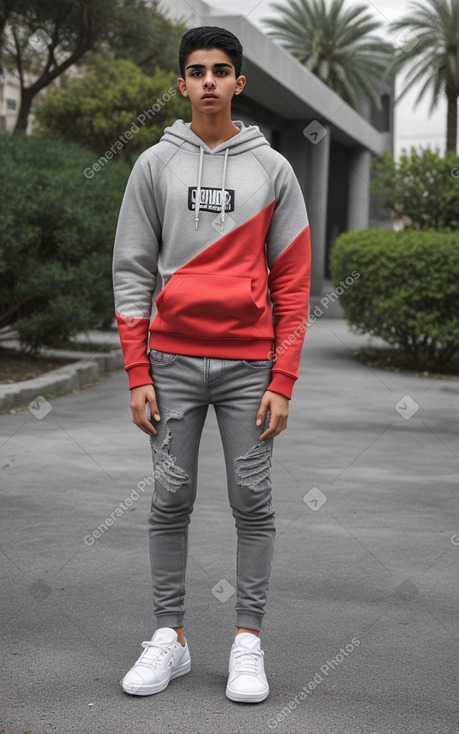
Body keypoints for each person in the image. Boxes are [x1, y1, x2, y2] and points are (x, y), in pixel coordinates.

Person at [112, 25, 311, 704]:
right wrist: (137, 372)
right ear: (180, 84)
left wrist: (281, 380)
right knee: (169, 500)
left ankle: (247, 642)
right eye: (195, 70)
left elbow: (292, 283)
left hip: (247, 368)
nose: (207, 81)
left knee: (251, 501)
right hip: (168, 365)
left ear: (238, 83)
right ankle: (169, 639)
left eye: (220, 70)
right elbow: (132, 270)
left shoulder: (273, 169)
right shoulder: (152, 164)